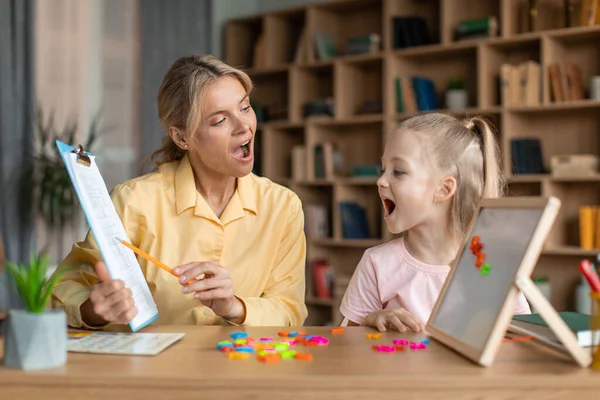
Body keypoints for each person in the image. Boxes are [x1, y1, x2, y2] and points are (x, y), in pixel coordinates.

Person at [51, 54, 308, 329]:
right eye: (220, 120)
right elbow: (61, 290)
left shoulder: (283, 206)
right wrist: (94, 309)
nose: (243, 126)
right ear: (182, 137)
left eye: (245, 107)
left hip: (243, 369)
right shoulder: (134, 202)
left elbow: (290, 311)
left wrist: (235, 307)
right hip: (152, 370)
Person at [339, 113, 531, 332]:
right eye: (383, 170)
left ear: (444, 189)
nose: (381, 180)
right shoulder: (376, 263)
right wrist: (370, 321)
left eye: (399, 172)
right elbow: (345, 345)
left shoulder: (491, 265)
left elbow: (522, 340)